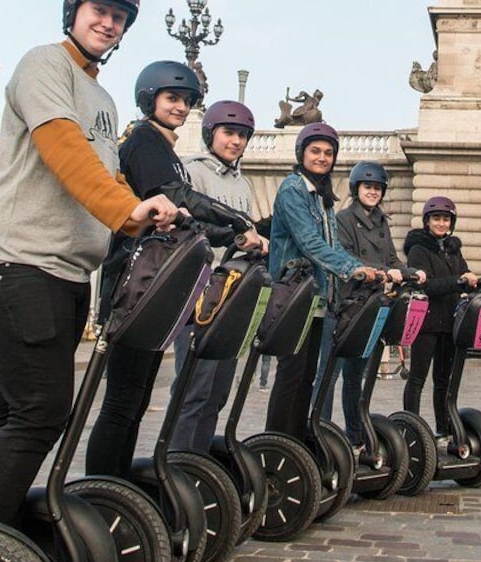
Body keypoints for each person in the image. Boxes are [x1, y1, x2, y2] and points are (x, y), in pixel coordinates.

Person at [0, 0, 180, 527]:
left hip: (66, 275)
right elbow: (64, 150)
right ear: (72, 13)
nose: (107, 23)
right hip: (18, 266)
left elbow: (106, 172)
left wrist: (144, 211)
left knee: (13, 411)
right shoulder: (44, 65)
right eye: (97, 10)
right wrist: (127, 210)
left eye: (119, 16)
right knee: (42, 410)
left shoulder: (101, 97)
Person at [86, 68, 265, 475]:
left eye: (186, 101)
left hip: (153, 286)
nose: (181, 108)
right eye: (172, 98)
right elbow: (177, 197)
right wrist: (237, 222)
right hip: (134, 285)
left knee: (134, 400)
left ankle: (116, 486)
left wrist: (235, 234)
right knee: (120, 403)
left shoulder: (165, 151)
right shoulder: (143, 141)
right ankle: (102, 487)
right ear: (149, 98)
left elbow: (184, 216)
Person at [265, 123, 378, 442]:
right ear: (302, 153)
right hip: (294, 296)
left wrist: (361, 267)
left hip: (318, 299)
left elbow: (334, 245)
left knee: (306, 379)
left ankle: (298, 444)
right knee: (290, 376)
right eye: (315, 151)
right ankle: (276, 443)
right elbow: (309, 242)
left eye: (328, 153)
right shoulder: (293, 188)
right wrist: (351, 269)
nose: (322, 157)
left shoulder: (324, 197)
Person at [169, 99, 269, 453]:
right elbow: (186, 224)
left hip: (232, 294)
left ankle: (197, 465)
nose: (236, 141)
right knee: (194, 388)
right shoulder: (191, 171)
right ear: (211, 133)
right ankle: (177, 463)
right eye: (229, 133)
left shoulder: (242, 184)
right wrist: (236, 237)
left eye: (242, 135)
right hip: (198, 293)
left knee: (218, 391)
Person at [312, 161, 425, 450]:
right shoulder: (343, 220)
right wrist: (386, 272)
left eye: (377, 188)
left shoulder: (382, 223)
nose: (373, 192)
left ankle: (356, 438)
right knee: (328, 375)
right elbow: (347, 257)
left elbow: (391, 259)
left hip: (369, 308)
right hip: (343, 307)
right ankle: (319, 435)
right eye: (368, 187)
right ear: (356, 189)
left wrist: (411, 271)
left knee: (355, 377)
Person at [402, 196, 481, 447]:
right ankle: (412, 428)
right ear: (427, 221)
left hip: (450, 323)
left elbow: (465, 276)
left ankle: (443, 430)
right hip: (427, 324)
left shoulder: (453, 249)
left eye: (445, 219)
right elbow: (427, 285)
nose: (441, 223)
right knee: (418, 379)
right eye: (436, 218)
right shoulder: (418, 249)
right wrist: (459, 281)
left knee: (444, 381)